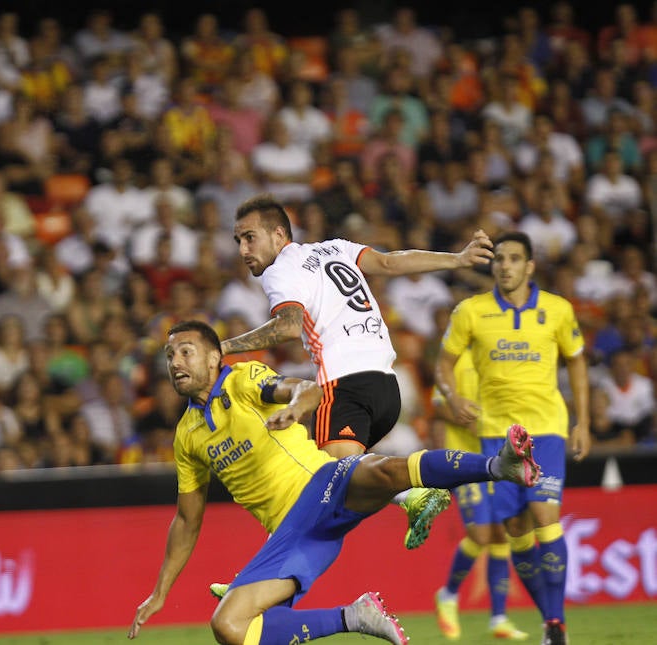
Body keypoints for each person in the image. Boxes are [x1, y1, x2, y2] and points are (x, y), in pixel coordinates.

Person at [128, 320, 541, 645]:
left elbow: (301, 387)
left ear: (216, 357)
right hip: (292, 535)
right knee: (231, 627)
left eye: (186, 351)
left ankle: (496, 465)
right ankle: (355, 615)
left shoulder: (241, 380)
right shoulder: (187, 435)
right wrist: (160, 591)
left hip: (319, 485)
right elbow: (186, 520)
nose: (176, 362)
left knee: (382, 470)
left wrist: (295, 407)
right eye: (169, 355)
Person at [220, 194, 494, 549]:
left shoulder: (279, 271)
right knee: (336, 491)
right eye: (238, 241)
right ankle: (261, 576)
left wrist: (223, 347)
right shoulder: (335, 249)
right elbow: (390, 262)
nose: (243, 249)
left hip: (344, 385)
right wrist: (456, 259)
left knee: (324, 483)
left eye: (249, 237)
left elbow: (288, 327)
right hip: (386, 388)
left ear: (277, 235)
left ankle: (419, 491)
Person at [434, 231, 591, 645]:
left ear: (530, 266)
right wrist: (452, 396)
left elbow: (576, 362)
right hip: (495, 435)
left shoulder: (558, 310)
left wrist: (583, 421)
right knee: (516, 532)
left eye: (514, 258)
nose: (505, 265)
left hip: (547, 428)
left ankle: (556, 626)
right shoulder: (470, 312)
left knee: (544, 516)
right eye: (499, 258)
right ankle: (549, 622)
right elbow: (443, 365)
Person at [430, 350, 528, 641]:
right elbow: (437, 406)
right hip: (464, 459)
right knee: (482, 534)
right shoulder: (456, 362)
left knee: (500, 534)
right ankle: (447, 595)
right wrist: (466, 419)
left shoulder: (506, 360)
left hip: (499, 457)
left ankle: (499, 618)